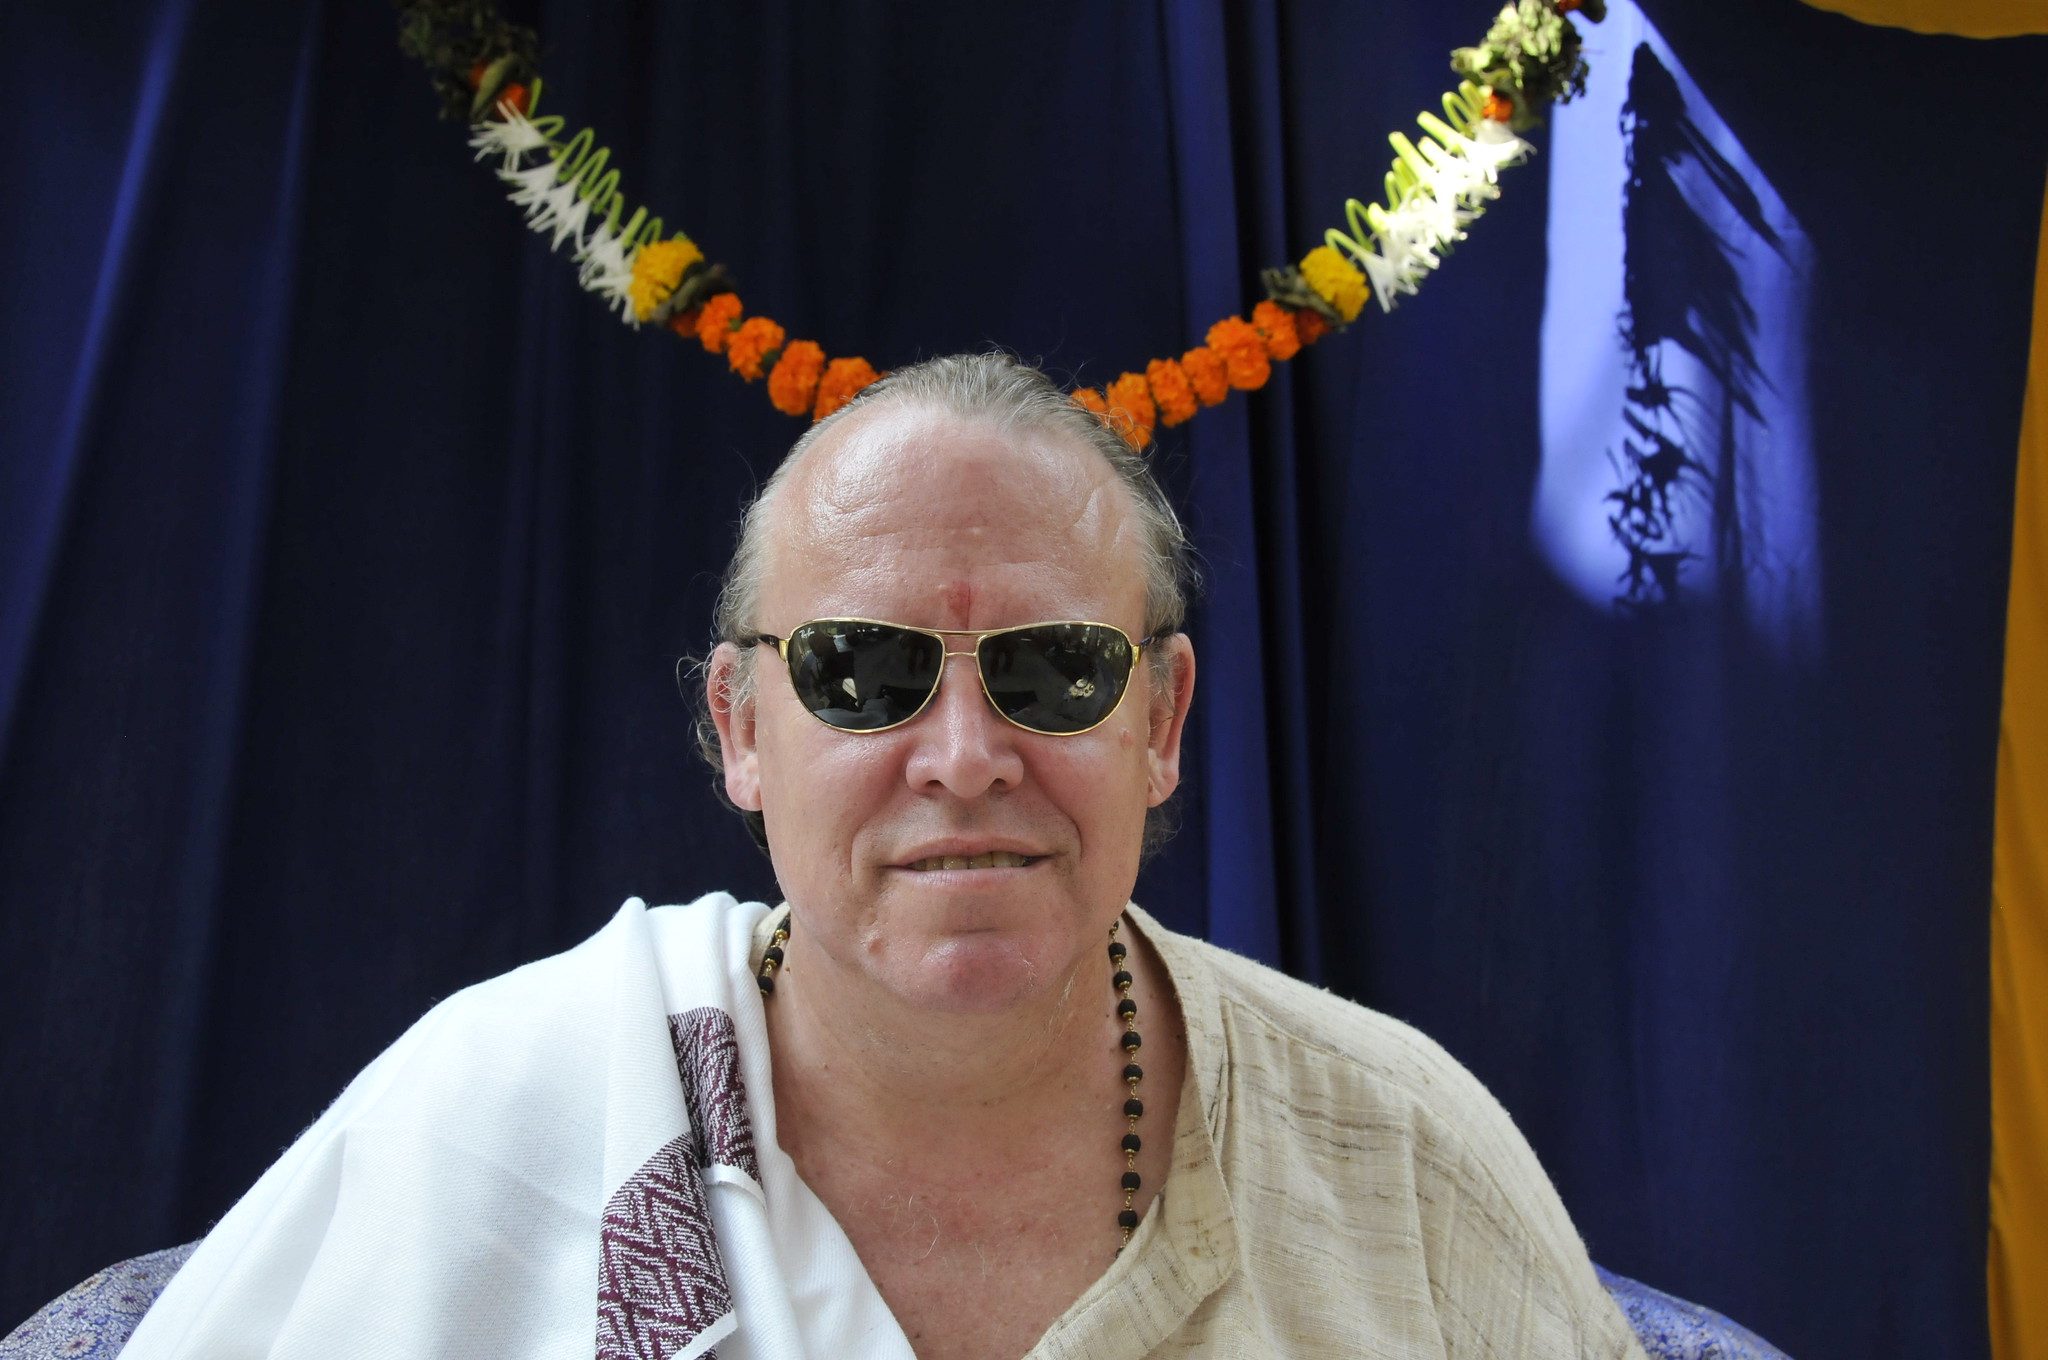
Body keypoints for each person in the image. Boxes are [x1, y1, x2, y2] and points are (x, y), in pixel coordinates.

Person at [111, 353, 1644, 1360]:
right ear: (742, 728)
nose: (968, 753)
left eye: (1053, 672)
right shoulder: (491, 1116)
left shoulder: (1406, 1166)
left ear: (1162, 722)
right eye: (860, 672)